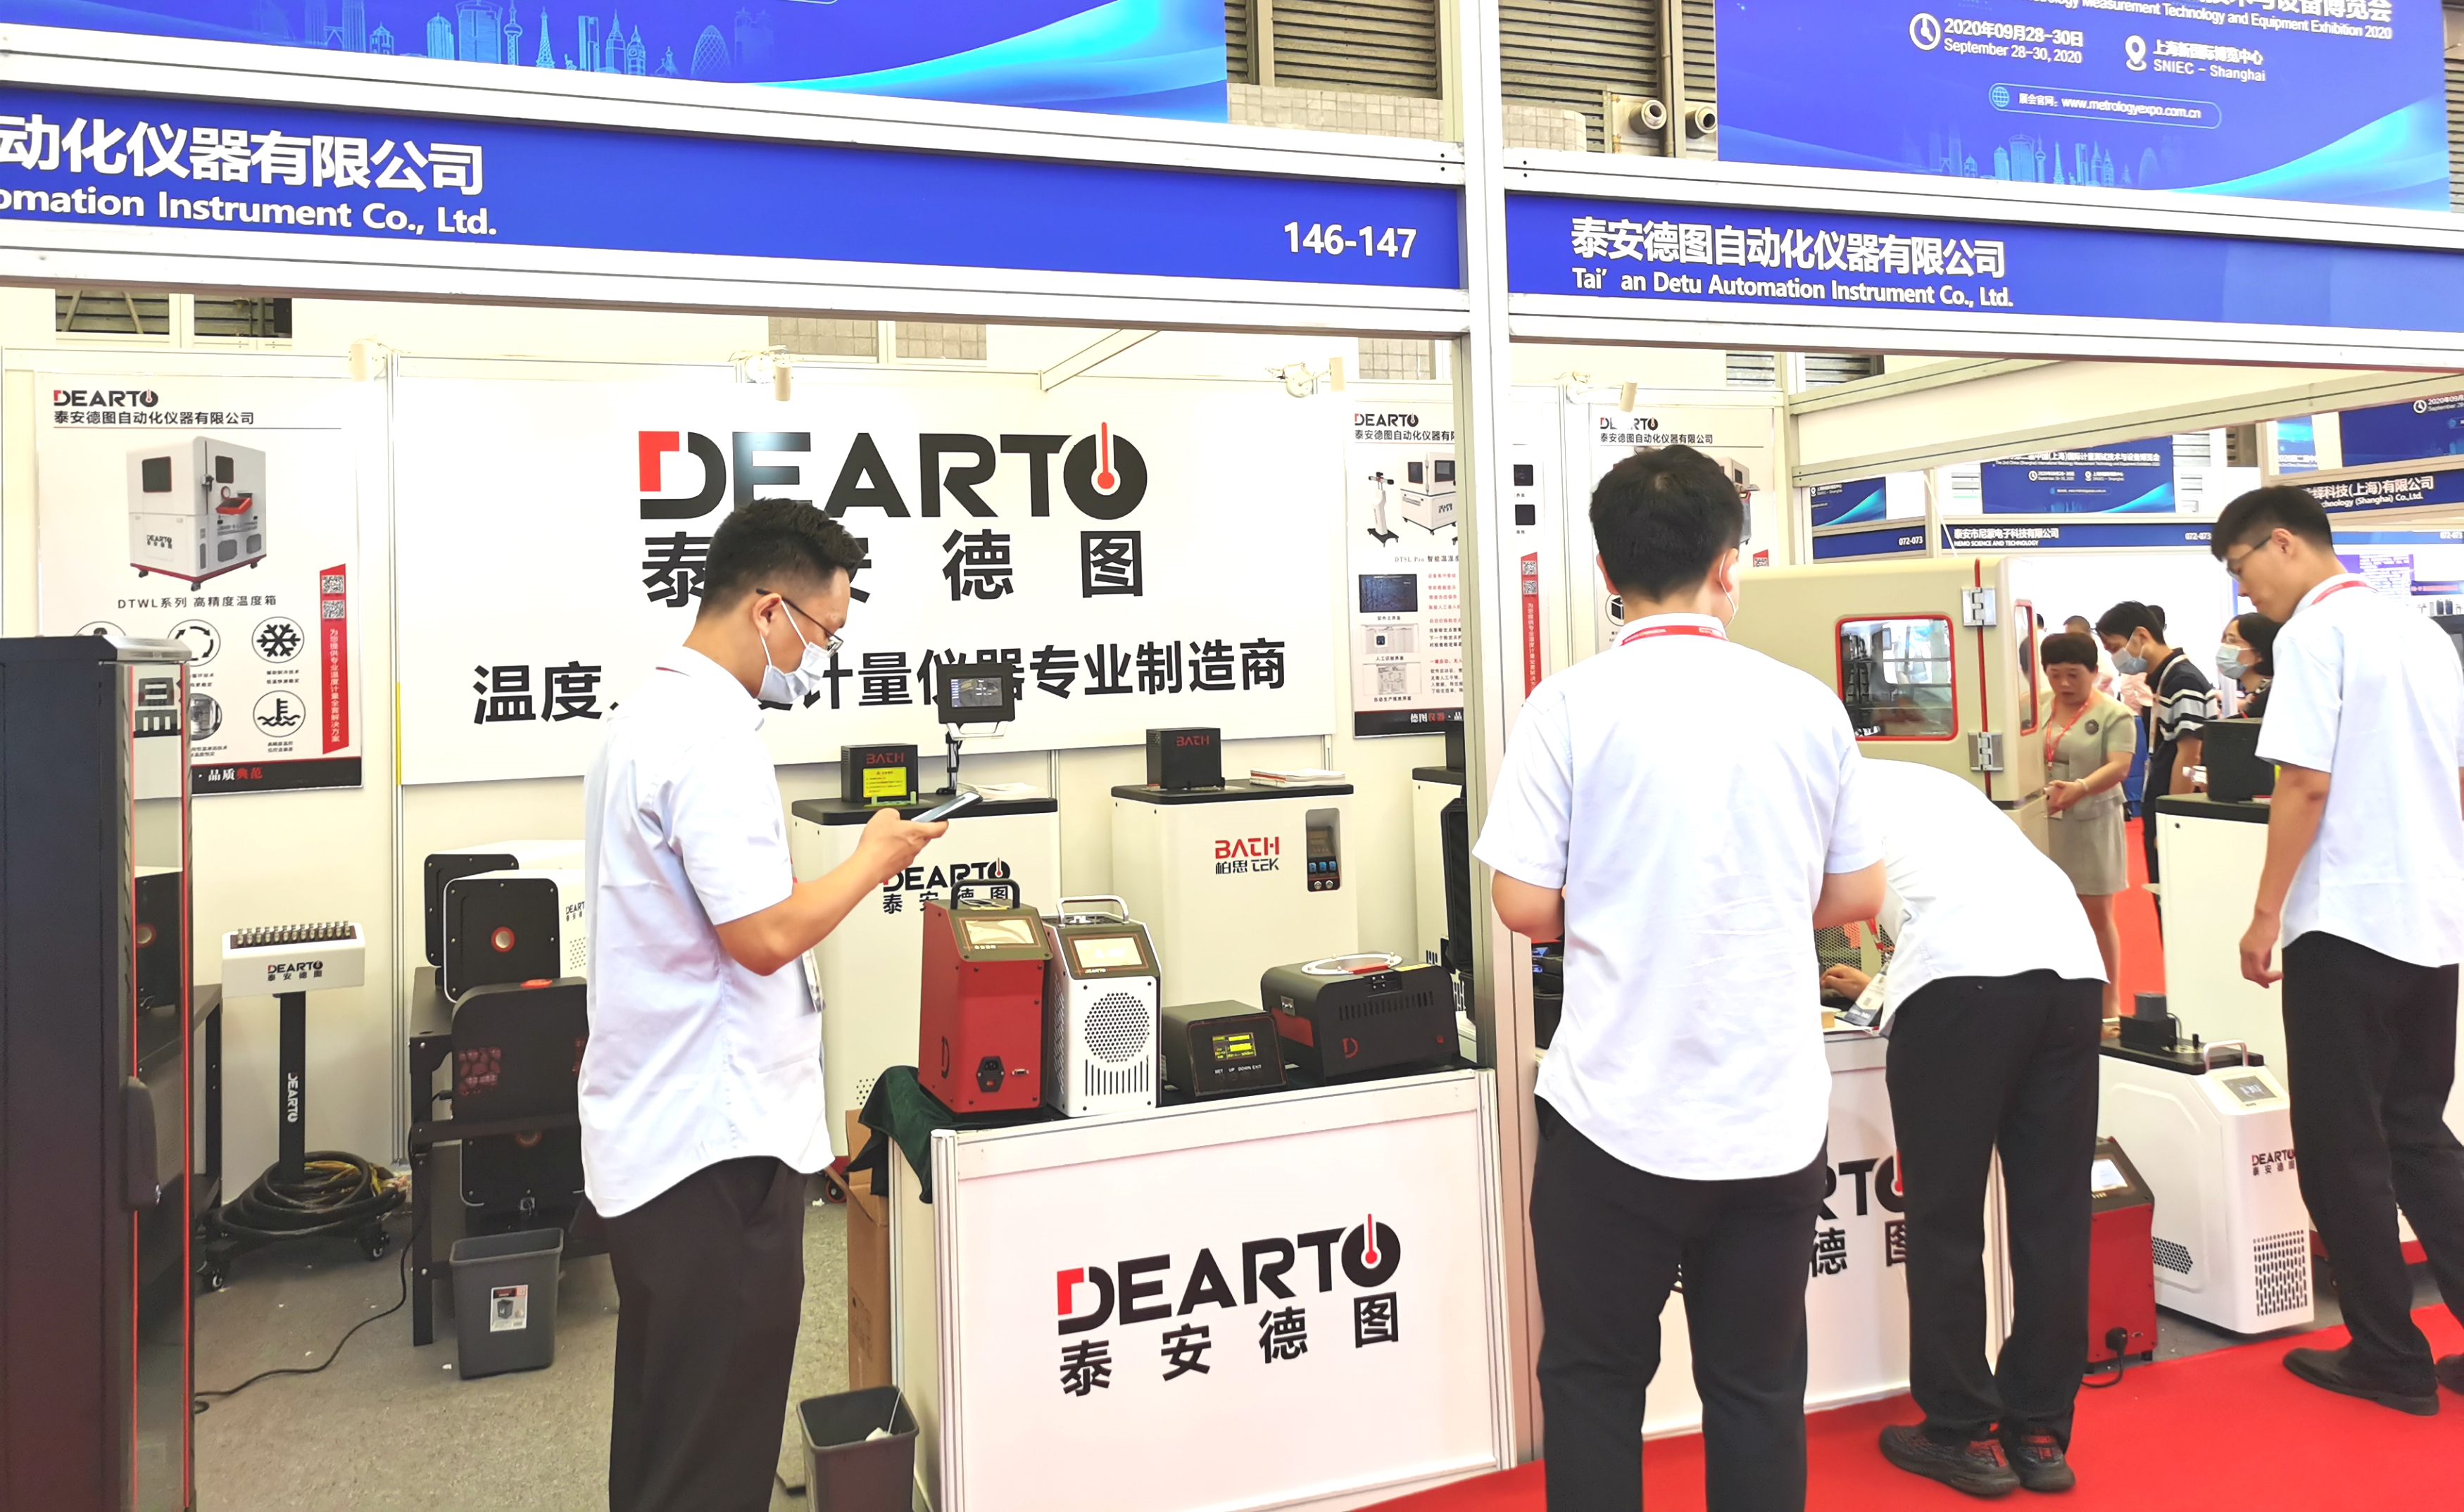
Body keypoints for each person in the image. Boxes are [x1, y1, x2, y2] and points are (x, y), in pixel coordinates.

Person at [1475, 444, 1885, 1511]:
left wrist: (1623, 904)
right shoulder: (1805, 705)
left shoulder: (1568, 704)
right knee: (1757, 1389)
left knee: (1594, 1383)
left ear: (1605, 572)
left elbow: (1521, 905)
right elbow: (1856, 892)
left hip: (1613, 1115)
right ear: (1727, 564)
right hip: (1769, 1120)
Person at [582, 499, 948, 1511]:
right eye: (823, 633)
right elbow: (764, 937)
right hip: (716, 1147)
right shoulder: (709, 738)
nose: (820, 658)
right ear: (767, 609)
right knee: (713, 1448)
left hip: (663, 1129)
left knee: (668, 1423)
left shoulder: (647, 719)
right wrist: (873, 859)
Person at [2213, 484, 2464, 1415]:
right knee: (2417, 1134)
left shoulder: (2316, 634)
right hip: (2431, 923)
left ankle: (2388, 1356)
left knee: (2339, 1146)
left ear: (2281, 543)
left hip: (2345, 924)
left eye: (2241, 568)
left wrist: (2264, 912)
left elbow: (2304, 785)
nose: (2247, 591)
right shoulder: (2418, 633)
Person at [1817, 761, 2106, 1498]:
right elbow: (1949, 896)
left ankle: (1960, 1431)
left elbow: (1805, 909)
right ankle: (2039, 1428)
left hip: (1960, 982)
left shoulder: (1808, 789)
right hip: (2071, 972)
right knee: (2053, 1215)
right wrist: (1885, 990)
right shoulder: (1924, 780)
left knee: (1944, 1216)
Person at [2037, 633, 2137, 1019]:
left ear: (2094, 672)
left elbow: (2120, 766)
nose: (2064, 684)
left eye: (2074, 675)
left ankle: (2109, 1003)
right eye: (2055, 674)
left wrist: (2080, 788)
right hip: (2044, 820)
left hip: (2092, 821)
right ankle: (2055, 999)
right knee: (2046, 912)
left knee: (2096, 914)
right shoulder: (2036, 707)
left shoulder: (2115, 714)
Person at [2097, 600, 2215, 910]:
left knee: (2177, 906)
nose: (2115, 658)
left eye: (2115, 648)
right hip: (2164, 804)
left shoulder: (2182, 681)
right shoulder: (2167, 678)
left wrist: (2174, 821)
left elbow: (2189, 756)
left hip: (2175, 813)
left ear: (2141, 636)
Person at [2220, 610, 2280, 717]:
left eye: (2231, 640)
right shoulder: (2257, 698)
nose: (2224, 647)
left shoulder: (2273, 700)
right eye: (2224, 639)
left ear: (2259, 652)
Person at [2061, 615, 2116, 694]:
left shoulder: (2095, 645)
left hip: (2098, 696)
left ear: (2082, 633)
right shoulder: (2081, 646)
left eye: (2071, 635)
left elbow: (2109, 675)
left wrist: (2092, 692)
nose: (2068, 639)